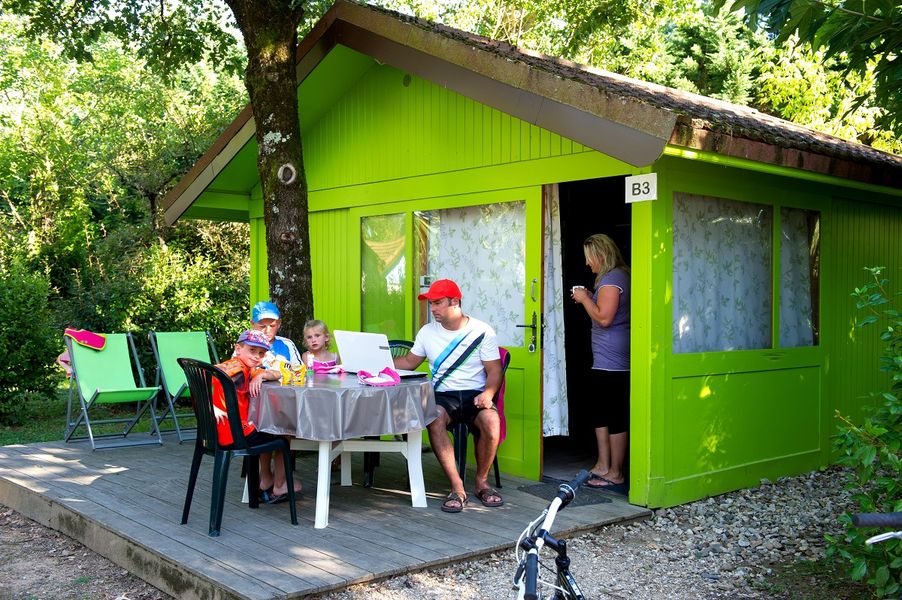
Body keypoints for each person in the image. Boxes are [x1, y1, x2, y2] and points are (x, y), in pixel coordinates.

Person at [393, 279, 504, 513]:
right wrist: (376, 362)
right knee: (433, 417)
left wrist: (488, 393)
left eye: (437, 303)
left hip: (475, 394)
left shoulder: (482, 331)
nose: (432, 309)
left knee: (492, 421)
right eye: (430, 304)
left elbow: (494, 370)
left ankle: (482, 483)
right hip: (444, 395)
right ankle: (457, 488)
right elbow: (409, 362)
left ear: (455, 302)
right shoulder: (427, 332)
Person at [571, 234, 630, 489]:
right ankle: (603, 465)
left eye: (589, 258)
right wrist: (590, 296)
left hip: (613, 360)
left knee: (612, 413)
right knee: (601, 411)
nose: (587, 264)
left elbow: (604, 319)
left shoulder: (612, 279)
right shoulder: (613, 278)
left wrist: (585, 299)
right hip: (607, 357)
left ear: (601, 255)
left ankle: (615, 471)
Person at [213, 330, 295, 501]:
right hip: (236, 434)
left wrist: (261, 374)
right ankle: (281, 485)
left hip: (216, 433)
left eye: (261, 353)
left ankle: (265, 480)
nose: (257, 356)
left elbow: (277, 373)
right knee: (283, 431)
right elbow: (216, 376)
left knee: (265, 427)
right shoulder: (236, 370)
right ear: (238, 348)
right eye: (252, 350)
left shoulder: (245, 368)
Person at [249, 300, 303, 502]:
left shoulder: (286, 344)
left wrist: (265, 374)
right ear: (252, 324)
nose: (267, 330)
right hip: (254, 409)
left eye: (272, 325)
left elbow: (299, 372)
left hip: (283, 403)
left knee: (281, 423)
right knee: (282, 429)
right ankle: (278, 482)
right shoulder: (248, 346)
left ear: (279, 324)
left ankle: (268, 479)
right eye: (262, 325)